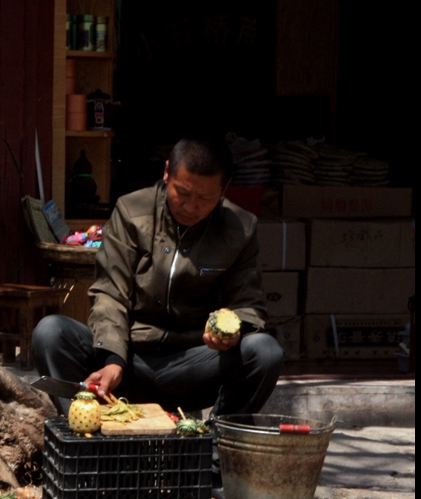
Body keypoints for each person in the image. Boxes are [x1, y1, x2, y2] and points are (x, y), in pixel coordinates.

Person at [32, 136, 284, 422]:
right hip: (128, 360)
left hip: (193, 367)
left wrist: (234, 328)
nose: (190, 206)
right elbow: (110, 293)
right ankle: (84, 431)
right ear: (166, 173)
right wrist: (112, 359)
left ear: (224, 190)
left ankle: (218, 442)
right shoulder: (131, 211)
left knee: (265, 352)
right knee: (51, 332)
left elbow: (249, 305)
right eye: (182, 192)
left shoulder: (241, 229)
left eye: (205, 199)